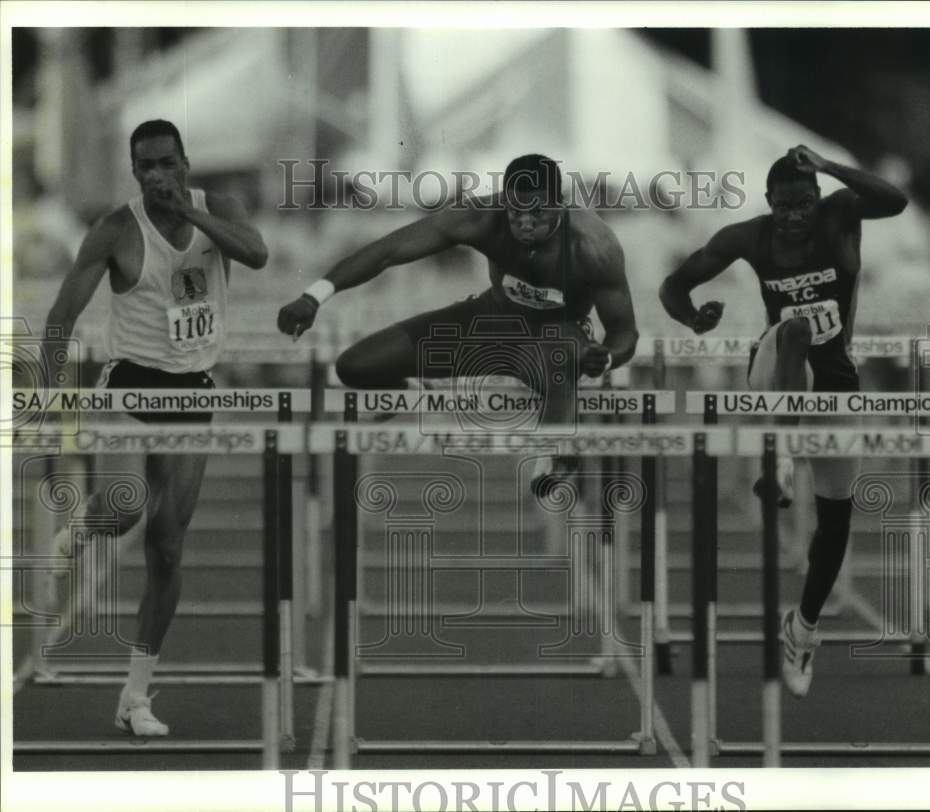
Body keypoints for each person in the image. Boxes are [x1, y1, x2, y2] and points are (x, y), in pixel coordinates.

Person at [39, 119, 268, 734]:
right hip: (131, 381)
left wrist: (193, 220)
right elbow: (63, 314)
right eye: (146, 167)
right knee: (129, 505)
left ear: (186, 163)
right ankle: (83, 526)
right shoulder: (116, 230)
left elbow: (256, 253)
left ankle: (134, 698)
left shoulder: (216, 209)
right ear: (134, 171)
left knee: (167, 545)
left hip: (193, 388)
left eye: (168, 163)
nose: (158, 176)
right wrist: (44, 395)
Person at [659, 145, 907, 697]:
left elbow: (895, 200)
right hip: (774, 372)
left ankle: (804, 627)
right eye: (783, 206)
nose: (794, 217)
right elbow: (674, 286)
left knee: (837, 521)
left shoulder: (840, 214)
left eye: (803, 204)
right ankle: (784, 457)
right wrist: (692, 319)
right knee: (795, 330)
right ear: (768, 203)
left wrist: (827, 165)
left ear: (815, 199)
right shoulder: (748, 237)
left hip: (836, 384)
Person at [277, 154, 639, 492]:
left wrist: (606, 358)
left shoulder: (594, 244)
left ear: (560, 203)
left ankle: (555, 453)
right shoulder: (482, 215)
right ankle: (414, 393)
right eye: (516, 213)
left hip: (555, 339)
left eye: (537, 213)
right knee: (354, 367)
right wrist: (314, 295)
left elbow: (624, 331)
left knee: (564, 353)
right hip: (491, 320)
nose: (526, 223)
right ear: (503, 201)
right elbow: (387, 251)